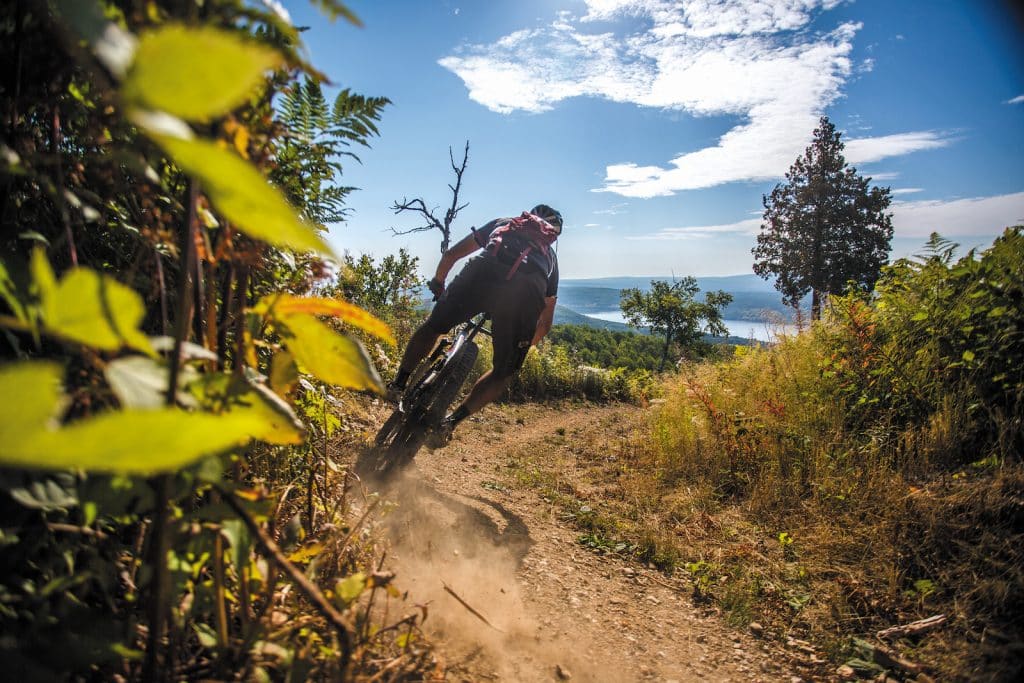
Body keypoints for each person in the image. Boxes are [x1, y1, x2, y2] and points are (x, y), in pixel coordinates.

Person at [386, 204, 563, 447]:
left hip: (481, 275)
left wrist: (439, 282)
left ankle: (398, 385)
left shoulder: (504, 222)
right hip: (524, 295)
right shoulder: (550, 261)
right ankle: (450, 423)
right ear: (551, 236)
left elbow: (451, 255)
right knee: (503, 373)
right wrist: (518, 349)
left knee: (433, 327)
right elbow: (545, 322)